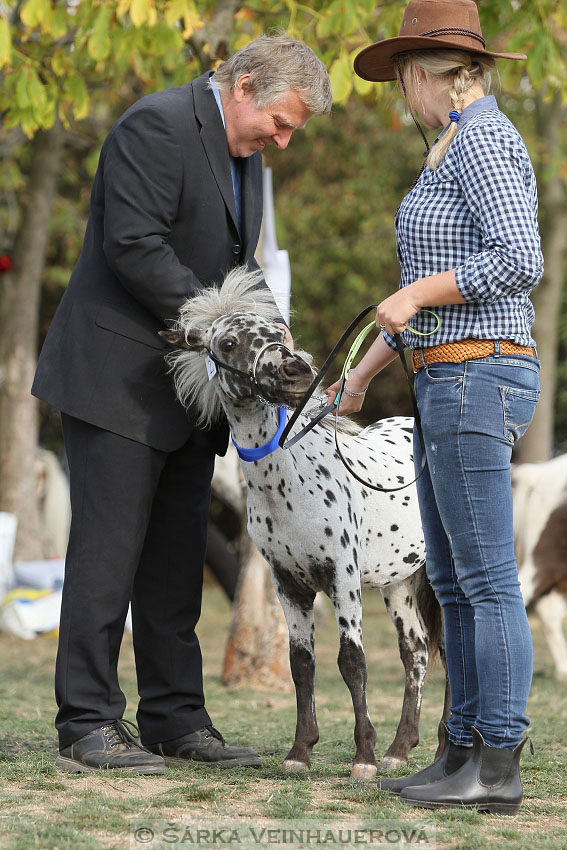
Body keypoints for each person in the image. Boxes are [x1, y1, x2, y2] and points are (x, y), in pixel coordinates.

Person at [32, 35, 332, 774]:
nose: (283, 141)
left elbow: (240, 261)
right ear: (244, 85)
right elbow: (133, 246)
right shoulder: (155, 124)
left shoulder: (247, 154)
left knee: (174, 566)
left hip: (195, 395)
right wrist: (230, 324)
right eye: (281, 122)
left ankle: (175, 719)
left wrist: (269, 325)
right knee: (106, 559)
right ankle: (87, 723)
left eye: (291, 129)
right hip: (117, 382)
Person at [326, 0, 543, 814]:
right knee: (450, 579)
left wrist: (412, 290)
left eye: (399, 82)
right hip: (443, 373)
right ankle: (459, 748)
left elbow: (518, 259)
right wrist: (359, 376)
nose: (399, 97)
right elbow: (425, 309)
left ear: (429, 76)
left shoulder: (484, 139)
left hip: (475, 377)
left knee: (484, 579)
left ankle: (495, 761)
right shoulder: (452, 146)